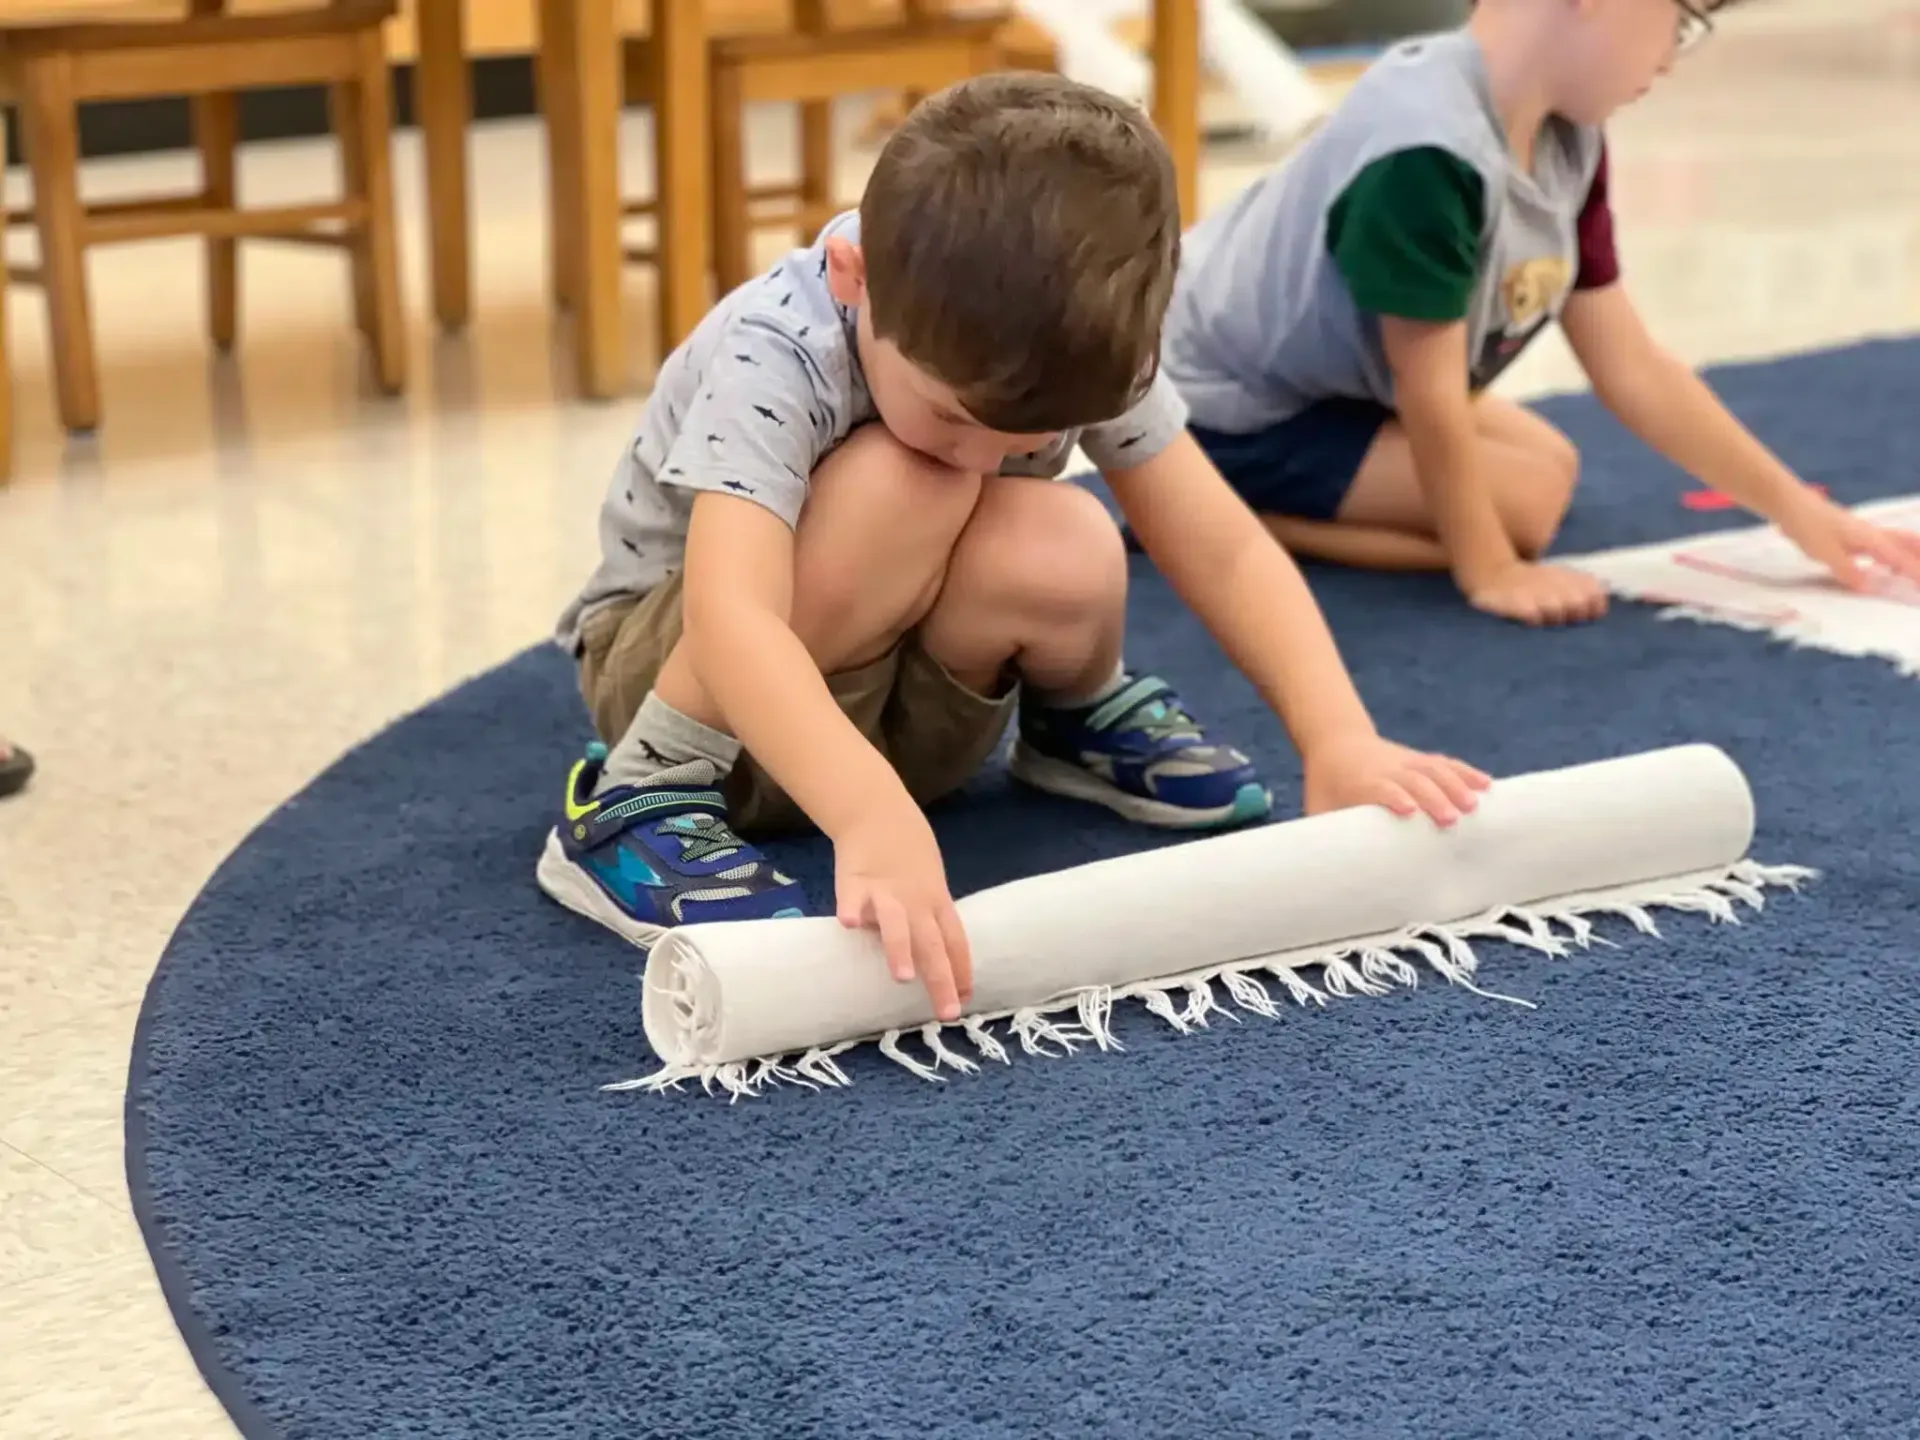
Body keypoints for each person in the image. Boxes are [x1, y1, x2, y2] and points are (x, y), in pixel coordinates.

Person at [537, 73, 1489, 1023]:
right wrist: (871, 814)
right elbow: (732, 614)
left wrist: (1337, 738)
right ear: (854, 279)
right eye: (958, 415)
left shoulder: (1075, 340)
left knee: (1065, 530)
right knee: (907, 480)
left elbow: (1222, 546)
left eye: (1030, 437)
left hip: (880, 707)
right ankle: (636, 800)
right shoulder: (778, 347)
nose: (993, 458)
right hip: (682, 682)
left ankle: (1070, 721)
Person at [1165, 0, 1920, 628]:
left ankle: (1229, 508)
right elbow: (1428, 395)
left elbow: (1631, 364)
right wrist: (1487, 566)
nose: (1670, 58)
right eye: (1679, 21)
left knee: (1551, 466)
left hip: (1328, 384)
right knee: (1521, 506)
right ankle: (1222, 515)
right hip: (1224, 407)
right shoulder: (1427, 147)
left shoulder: (1569, 131)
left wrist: (1799, 511)